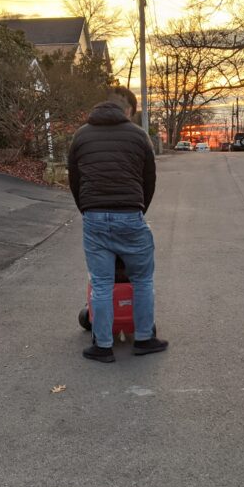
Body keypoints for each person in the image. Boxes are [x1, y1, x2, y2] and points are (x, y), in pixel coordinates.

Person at [67, 86, 168, 363]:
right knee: (142, 279)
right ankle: (144, 339)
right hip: (129, 215)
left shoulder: (81, 135)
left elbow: (74, 179)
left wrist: (88, 210)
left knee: (101, 283)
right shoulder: (138, 135)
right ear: (128, 110)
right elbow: (149, 180)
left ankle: (103, 346)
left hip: (94, 216)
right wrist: (137, 209)